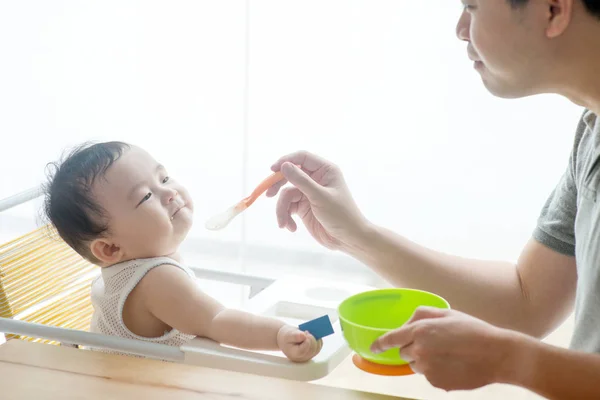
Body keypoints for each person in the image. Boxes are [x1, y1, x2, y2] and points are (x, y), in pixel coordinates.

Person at [267, 0, 600, 397]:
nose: (460, 29)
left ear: (552, 10)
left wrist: (509, 360)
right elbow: (525, 303)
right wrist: (354, 235)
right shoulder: (592, 130)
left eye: (472, 8)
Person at [44, 142, 322, 362]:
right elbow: (216, 320)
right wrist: (280, 335)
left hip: (129, 380)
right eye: (145, 197)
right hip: (142, 389)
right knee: (327, 338)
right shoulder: (156, 280)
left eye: (164, 178)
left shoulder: (127, 269)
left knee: (330, 327)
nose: (170, 193)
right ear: (110, 248)